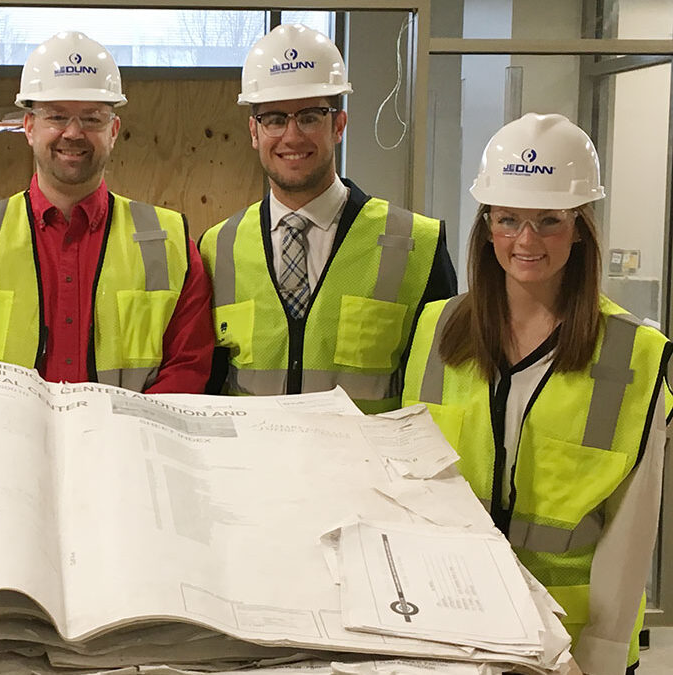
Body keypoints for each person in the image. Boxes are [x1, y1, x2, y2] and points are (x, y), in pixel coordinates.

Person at [403, 113, 671, 675]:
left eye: (549, 221)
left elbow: (632, 530)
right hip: (450, 624)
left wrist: (598, 654)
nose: (526, 241)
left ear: (579, 228)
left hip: (567, 642)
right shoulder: (436, 326)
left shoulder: (636, 354)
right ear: (487, 226)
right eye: (509, 220)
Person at [0, 31, 214, 393]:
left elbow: (188, 366)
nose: (73, 133)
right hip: (7, 447)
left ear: (114, 130)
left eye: (92, 118)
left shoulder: (171, 244)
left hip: (129, 447)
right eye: (57, 116)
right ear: (29, 127)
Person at [198, 24, 457, 412]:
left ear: (338, 124)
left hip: (370, 471)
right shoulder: (217, 247)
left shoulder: (416, 246)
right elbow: (208, 388)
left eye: (310, 116)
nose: (291, 136)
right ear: (254, 131)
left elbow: (443, 389)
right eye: (273, 118)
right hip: (254, 472)